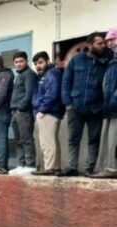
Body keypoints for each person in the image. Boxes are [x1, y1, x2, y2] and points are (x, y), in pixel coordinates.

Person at [61, 32, 112, 177]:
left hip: (96, 107)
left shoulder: (107, 59)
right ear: (89, 45)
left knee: (94, 139)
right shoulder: (77, 59)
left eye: (104, 43)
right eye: (99, 43)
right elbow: (66, 81)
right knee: (73, 138)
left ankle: (89, 168)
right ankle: (72, 167)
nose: (103, 46)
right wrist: (68, 103)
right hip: (76, 106)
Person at [10, 51, 39, 173]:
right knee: (18, 140)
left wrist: (21, 107)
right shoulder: (19, 75)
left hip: (24, 112)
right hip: (16, 113)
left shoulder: (29, 74)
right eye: (16, 62)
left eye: (21, 61)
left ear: (26, 61)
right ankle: (21, 164)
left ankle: (30, 165)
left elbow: (29, 93)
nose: (18, 64)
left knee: (26, 139)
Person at [94, 28, 117, 178]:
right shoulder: (112, 60)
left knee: (114, 139)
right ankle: (108, 167)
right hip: (110, 107)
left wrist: (114, 98)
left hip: (114, 106)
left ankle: (112, 169)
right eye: (108, 41)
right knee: (109, 139)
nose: (110, 43)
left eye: (113, 39)